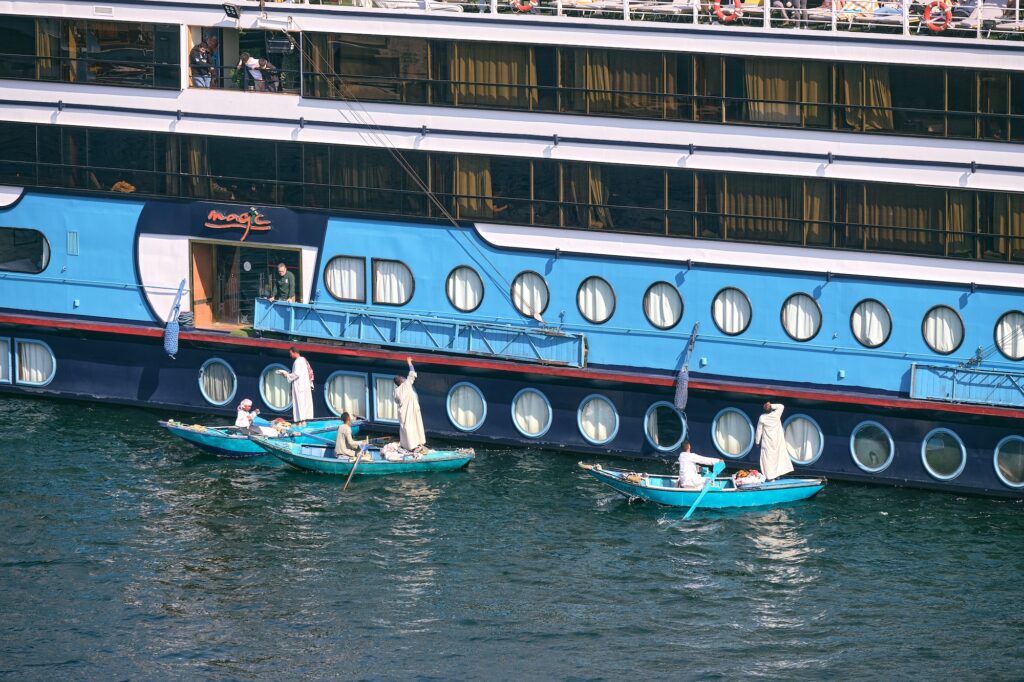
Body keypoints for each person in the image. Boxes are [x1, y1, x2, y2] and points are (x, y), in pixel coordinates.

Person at [393, 356, 426, 453]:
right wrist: (409, 362)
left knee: (406, 428)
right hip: (410, 410)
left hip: (402, 411)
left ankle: (407, 446)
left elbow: (397, 401)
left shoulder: (395, 391)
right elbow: (412, 373)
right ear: (401, 381)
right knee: (414, 425)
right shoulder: (406, 385)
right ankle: (415, 446)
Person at [756, 401, 793, 481]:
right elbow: (781, 406)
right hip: (777, 441)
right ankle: (776, 474)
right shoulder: (776, 414)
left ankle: (770, 477)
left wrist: (757, 442)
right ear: (771, 409)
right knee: (777, 457)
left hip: (767, 442)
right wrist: (771, 405)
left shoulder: (762, 417)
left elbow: (759, 430)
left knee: (767, 459)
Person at [278, 346, 314, 426]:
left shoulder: (298, 361)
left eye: (291, 354)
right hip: (304, 385)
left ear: (295, 352)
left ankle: (300, 422)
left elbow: (297, 374)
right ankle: (303, 422)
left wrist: (287, 375)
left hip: (299, 386)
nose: (290, 356)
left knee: (299, 403)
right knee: (304, 404)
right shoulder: (303, 360)